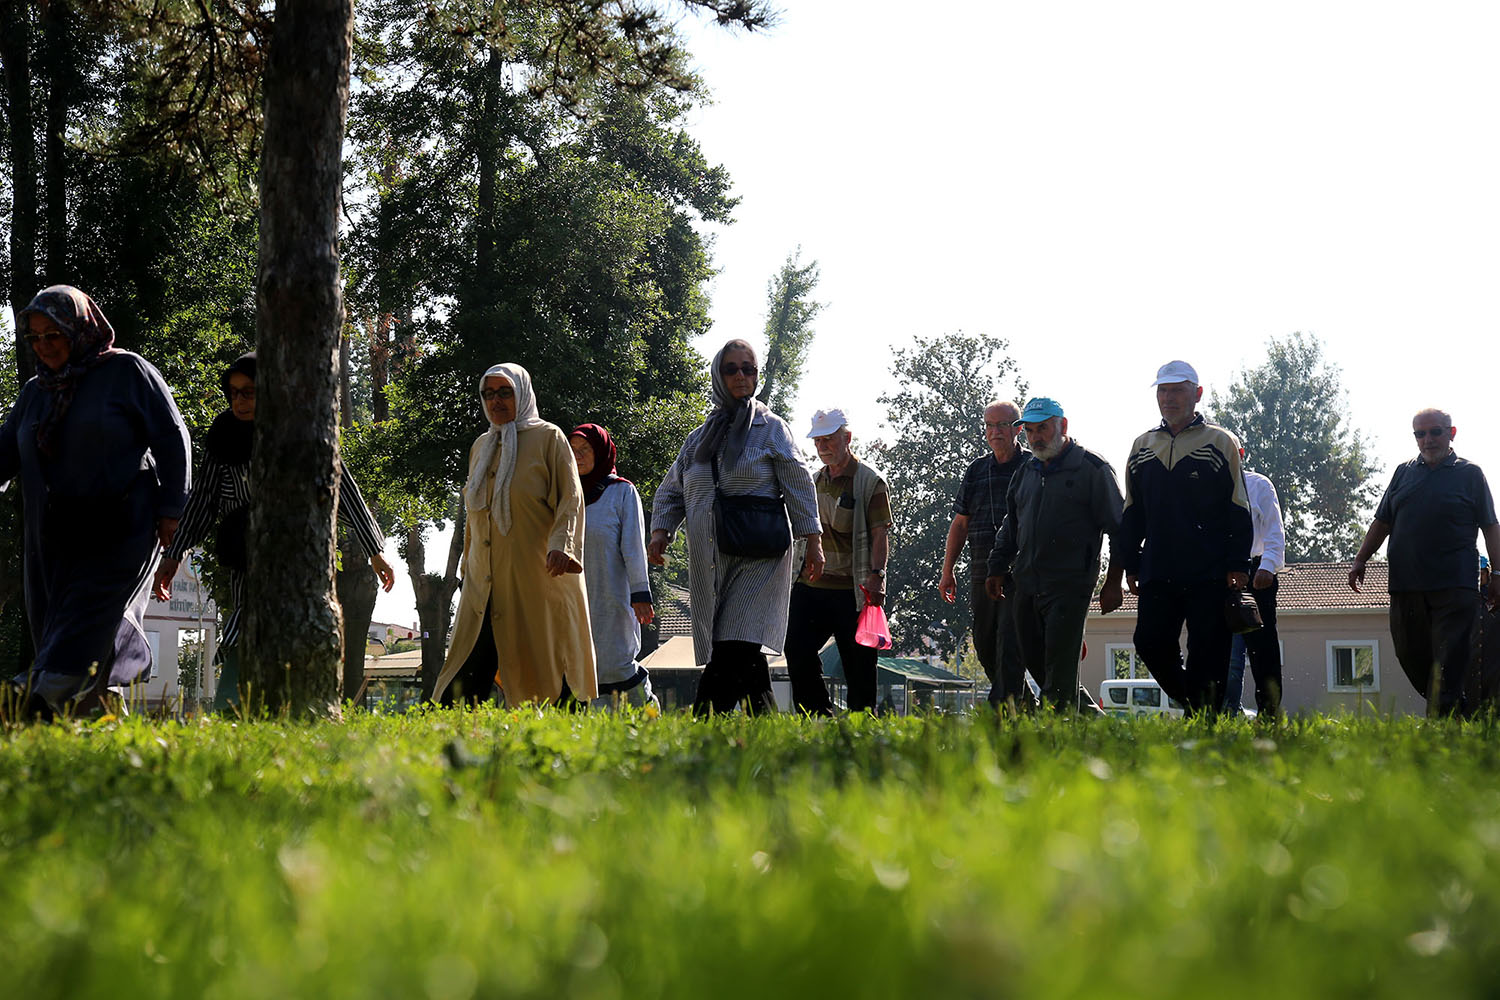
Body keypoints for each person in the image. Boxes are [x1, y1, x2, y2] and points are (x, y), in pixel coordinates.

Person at [152, 352, 395, 709]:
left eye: (249, 391)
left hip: (297, 557)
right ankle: (232, 707)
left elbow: (343, 492)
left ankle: (295, 711)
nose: (240, 400)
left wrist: (375, 551)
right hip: (245, 557)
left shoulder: (302, 433)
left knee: (291, 634)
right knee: (246, 627)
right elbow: (203, 503)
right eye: (234, 392)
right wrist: (174, 556)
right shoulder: (222, 437)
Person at [0, 285, 190, 718]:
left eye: (55, 334)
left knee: (90, 616)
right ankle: (101, 716)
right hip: (55, 537)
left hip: (122, 524)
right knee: (62, 624)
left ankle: (29, 699)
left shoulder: (126, 372)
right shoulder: (34, 393)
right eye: (36, 337)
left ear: (80, 327)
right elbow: (6, 452)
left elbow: (172, 436)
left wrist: (172, 509)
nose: (45, 346)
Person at [647, 340, 822, 715]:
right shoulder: (698, 438)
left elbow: (800, 484)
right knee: (738, 644)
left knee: (734, 644)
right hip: (711, 559)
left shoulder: (772, 429)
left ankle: (704, 721)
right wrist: (660, 532)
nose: (742, 376)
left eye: (749, 369)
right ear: (718, 375)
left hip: (760, 556)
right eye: (732, 369)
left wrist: (814, 543)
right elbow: (671, 491)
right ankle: (766, 720)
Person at [433, 364, 597, 707]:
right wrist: (468, 566)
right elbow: (475, 515)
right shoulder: (481, 446)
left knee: (547, 660)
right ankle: (454, 737)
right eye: (488, 394)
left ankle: (565, 733)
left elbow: (571, 498)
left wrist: (562, 547)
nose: (496, 401)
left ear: (522, 393)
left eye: (504, 392)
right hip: (484, 580)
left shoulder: (548, 438)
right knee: (467, 668)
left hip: (538, 575)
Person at [1118, 361, 1251, 715]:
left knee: (1209, 650)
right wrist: (1130, 562)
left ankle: (1206, 723)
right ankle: (1196, 705)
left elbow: (1239, 505)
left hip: (1211, 568)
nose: (1169, 398)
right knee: (1148, 642)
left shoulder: (1220, 442)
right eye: (1163, 390)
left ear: (1197, 394)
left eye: (1177, 390)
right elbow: (1132, 511)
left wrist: (1238, 563)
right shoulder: (1142, 445)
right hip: (1158, 566)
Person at [1349, 407, 1500, 716]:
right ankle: (1455, 712)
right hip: (1406, 583)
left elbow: (1491, 526)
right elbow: (1382, 521)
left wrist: (1497, 573)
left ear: (1451, 433)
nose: (1428, 439)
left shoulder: (1470, 474)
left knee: (1450, 659)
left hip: (1455, 585)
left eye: (1436, 432)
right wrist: (1360, 559)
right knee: (1411, 654)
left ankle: (1442, 726)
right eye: (1421, 433)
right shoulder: (1403, 472)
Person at [984, 397, 1124, 712]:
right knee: (1037, 662)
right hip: (1026, 584)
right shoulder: (1026, 472)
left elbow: (1119, 528)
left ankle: (1057, 743)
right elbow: (1012, 524)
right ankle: (1088, 720)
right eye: (1030, 431)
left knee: (1059, 671)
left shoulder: (1092, 469)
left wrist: (1113, 581)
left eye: (1043, 428)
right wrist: (995, 568)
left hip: (1069, 585)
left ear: (1062, 426)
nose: (1036, 437)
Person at [784, 408, 893, 714]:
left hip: (853, 589)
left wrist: (877, 576)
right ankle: (817, 714)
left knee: (859, 662)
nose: (822, 447)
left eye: (829, 439)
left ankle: (862, 724)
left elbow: (879, 535)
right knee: (796, 647)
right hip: (811, 583)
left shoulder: (870, 482)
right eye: (818, 441)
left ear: (846, 438)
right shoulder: (812, 480)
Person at [940, 399, 1027, 709]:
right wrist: (947, 570)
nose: (994, 432)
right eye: (989, 425)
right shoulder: (976, 470)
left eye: (1002, 425)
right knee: (985, 643)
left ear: (1018, 429)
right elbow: (960, 523)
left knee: (1009, 643)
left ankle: (1002, 713)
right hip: (980, 572)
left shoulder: (1032, 467)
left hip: (1020, 574)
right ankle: (1023, 703)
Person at [569, 423, 659, 712]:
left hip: (612, 596)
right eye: (572, 451)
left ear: (601, 452)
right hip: (573, 598)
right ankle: (590, 731)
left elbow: (633, 548)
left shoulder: (622, 492)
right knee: (580, 664)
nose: (578, 456)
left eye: (585, 450)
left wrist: (640, 594)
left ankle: (646, 715)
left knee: (615, 663)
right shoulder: (565, 496)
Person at [1223, 448, 1285, 717]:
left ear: (1241, 454)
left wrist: (1268, 567)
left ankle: (1269, 714)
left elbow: (1274, 531)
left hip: (1256, 573)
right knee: (1220, 650)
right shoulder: (1204, 489)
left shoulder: (1259, 485)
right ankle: (1224, 712)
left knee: (1262, 650)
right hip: (1218, 575)